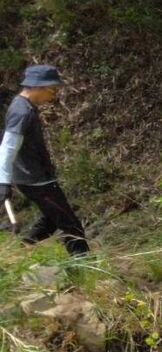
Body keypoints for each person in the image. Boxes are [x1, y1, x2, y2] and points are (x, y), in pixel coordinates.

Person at [0, 65, 90, 256]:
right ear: (37, 87)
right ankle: (83, 265)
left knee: (52, 218)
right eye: (52, 90)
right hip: (36, 181)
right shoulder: (22, 112)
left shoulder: (22, 105)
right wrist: (3, 183)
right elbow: (7, 148)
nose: (53, 95)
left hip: (36, 178)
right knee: (71, 225)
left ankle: (21, 251)